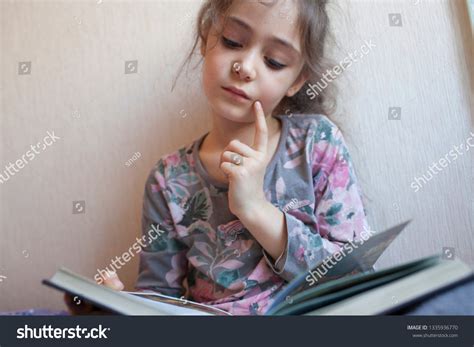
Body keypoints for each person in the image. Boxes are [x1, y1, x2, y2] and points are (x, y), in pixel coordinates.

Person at [66, 0, 370, 316]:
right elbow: (158, 301)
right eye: (232, 42)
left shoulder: (316, 143)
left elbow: (355, 278)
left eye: (275, 61)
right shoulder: (168, 179)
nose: (246, 67)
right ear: (205, 39)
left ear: (297, 80)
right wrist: (117, 309)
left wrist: (255, 209)